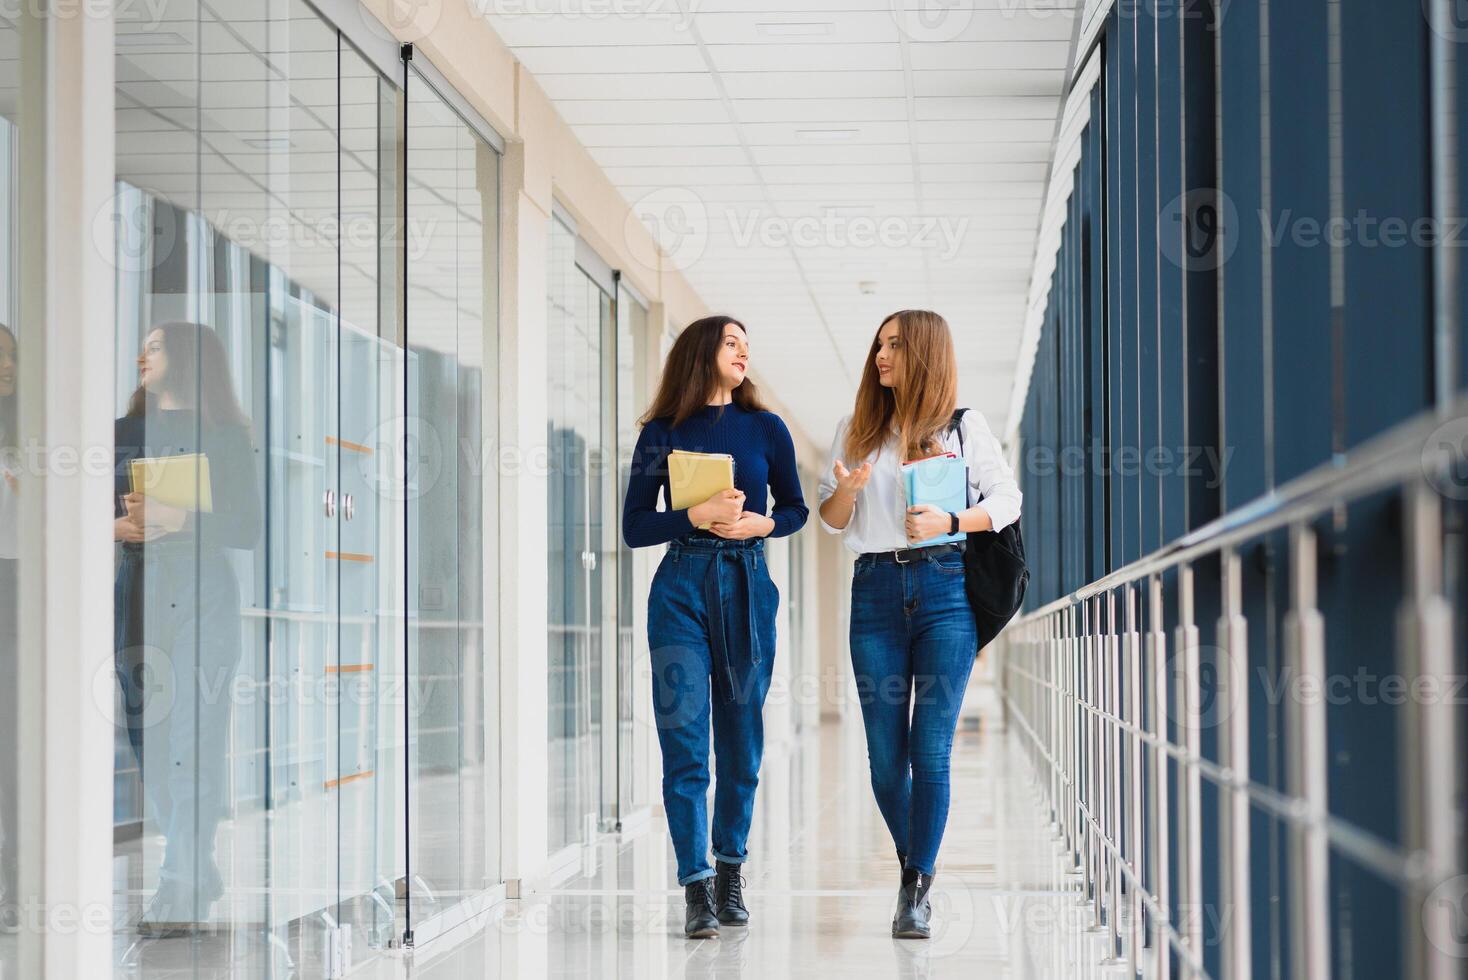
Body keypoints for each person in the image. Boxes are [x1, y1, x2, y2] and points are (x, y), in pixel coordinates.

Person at [816, 309, 1022, 939]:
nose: (882, 357)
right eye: (879, 345)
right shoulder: (855, 429)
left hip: (944, 593)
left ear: (925, 353)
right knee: (885, 759)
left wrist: (952, 523)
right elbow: (830, 518)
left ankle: (915, 888)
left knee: (930, 749)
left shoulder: (963, 427)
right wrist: (849, 489)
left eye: (896, 346)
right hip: (874, 591)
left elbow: (1007, 501)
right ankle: (917, 863)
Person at [622, 315, 808, 939]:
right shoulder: (661, 433)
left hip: (748, 585)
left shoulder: (767, 427)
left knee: (742, 743)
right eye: (732, 343)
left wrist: (761, 525)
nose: (744, 352)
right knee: (684, 746)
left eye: (747, 345)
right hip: (680, 589)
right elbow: (634, 529)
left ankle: (731, 869)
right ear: (702, 352)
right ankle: (695, 886)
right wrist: (693, 513)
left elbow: (796, 509)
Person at [113, 321, 261, 938]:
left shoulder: (226, 437)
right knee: (150, 741)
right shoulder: (123, 434)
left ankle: (179, 888)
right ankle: (195, 863)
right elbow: (85, 510)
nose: (144, 355)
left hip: (203, 595)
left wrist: (178, 516)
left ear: (189, 357)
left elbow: (245, 528)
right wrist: (119, 529)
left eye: (155, 345)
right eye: (142, 345)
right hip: (140, 591)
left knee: (192, 744)